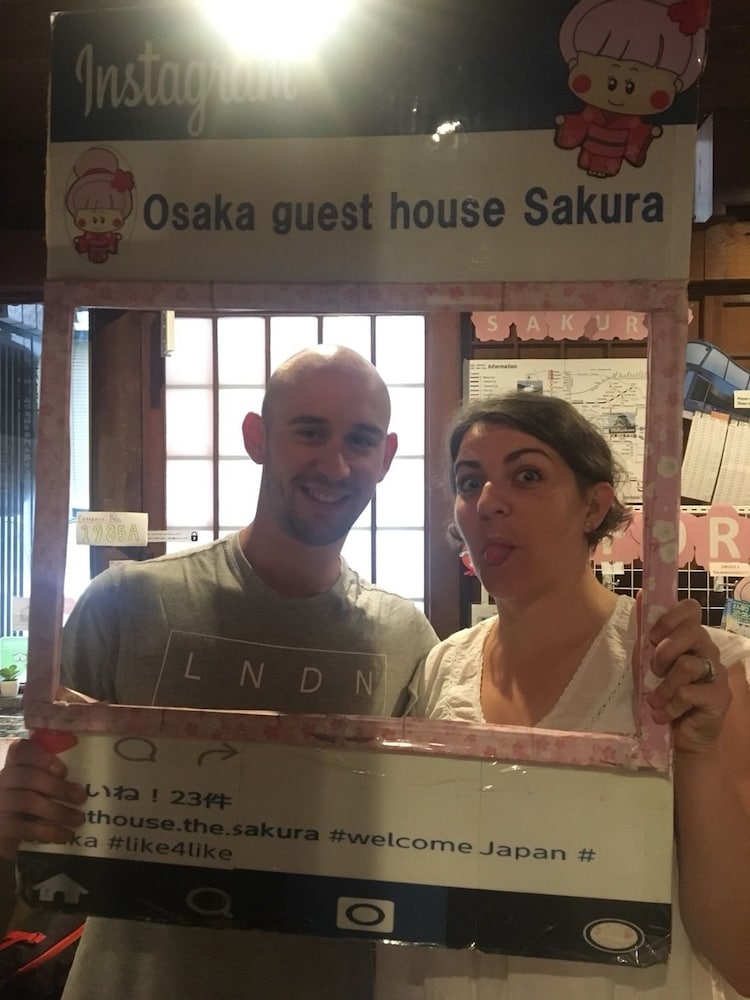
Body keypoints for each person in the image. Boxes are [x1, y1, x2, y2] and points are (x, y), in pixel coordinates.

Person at [0, 345, 438, 1000]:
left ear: (387, 455)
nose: (335, 464)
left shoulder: (406, 637)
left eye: (360, 440)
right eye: (309, 431)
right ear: (257, 438)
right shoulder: (125, 603)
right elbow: (44, 838)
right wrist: (16, 815)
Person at [377, 392, 750, 1000]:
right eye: (469, 482)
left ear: (593, 506)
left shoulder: (687, 674)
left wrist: (700, 754)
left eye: (527, 476)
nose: (489, 502)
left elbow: (741, 948)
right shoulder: (443, 667)